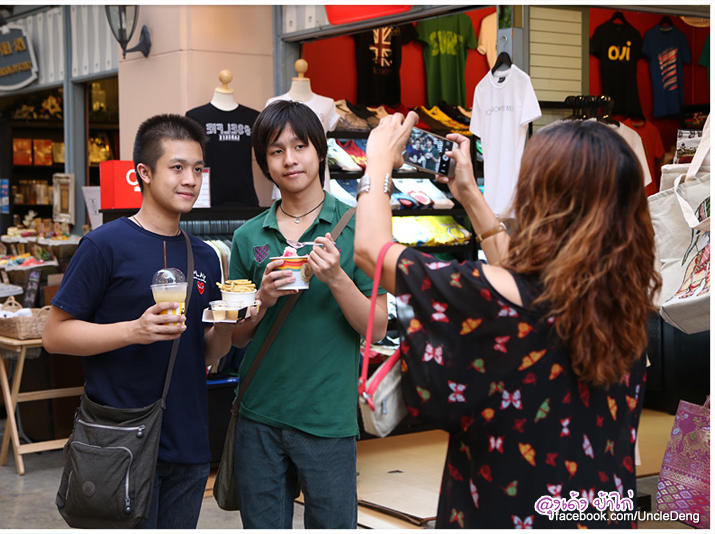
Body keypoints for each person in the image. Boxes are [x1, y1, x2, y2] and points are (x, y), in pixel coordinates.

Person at [354, 113, 661, 528]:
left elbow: (372, 252)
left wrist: (377, 163)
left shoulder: (488, 297)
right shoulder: (622, 302)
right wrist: (469, 194)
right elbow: (521, 281)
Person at [42, 114, 240, 529]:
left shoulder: (205, 255)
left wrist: (227, 327)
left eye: (198, 169)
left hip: (188, 442)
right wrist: (134, 331)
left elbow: (206, 352)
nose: (190, 180)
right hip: (118, 441)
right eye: (177, 167)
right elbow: (55, 335)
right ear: (144, 173)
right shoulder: (104, 245)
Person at [228, 100, 388, 529]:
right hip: (258, 414)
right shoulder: (248, 236)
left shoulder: (358, 228)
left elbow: (376, 328)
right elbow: (237, 337)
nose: (289, 159)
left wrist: (336, 278)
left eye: (300, 146)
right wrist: (262, 300)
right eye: (276, 150)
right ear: (264, 161)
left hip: (327, 418)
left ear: (320, 150)